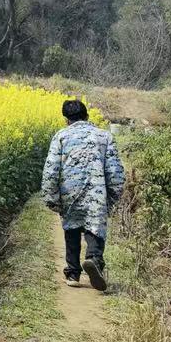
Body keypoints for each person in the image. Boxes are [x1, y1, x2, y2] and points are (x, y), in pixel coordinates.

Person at [41, 98, 125, 292]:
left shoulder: (61, 136)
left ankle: (73, 273)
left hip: (70, 193)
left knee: (71, 228)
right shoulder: (104, 136)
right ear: (87, 116)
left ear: (66, 120)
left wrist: (51, 198)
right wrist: (112, 197)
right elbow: (115, 172)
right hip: (97, 191)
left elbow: (51, 170)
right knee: (95, 226)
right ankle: (94, 259)